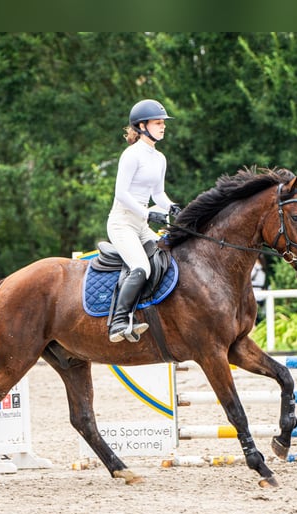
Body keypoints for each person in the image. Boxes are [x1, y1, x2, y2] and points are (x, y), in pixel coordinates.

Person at [106, 98, 182, 343]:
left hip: (140, 225)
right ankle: (118, 322)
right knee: (142, 267)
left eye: (163, 123)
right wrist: (149, 213)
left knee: (165, 259)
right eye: (158, 123)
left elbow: (157, 194)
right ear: (141, 126)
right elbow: (121, 193)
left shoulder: (159, 158)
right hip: (122, 223)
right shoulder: (131, 155)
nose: (163, 127)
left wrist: (173, 208)